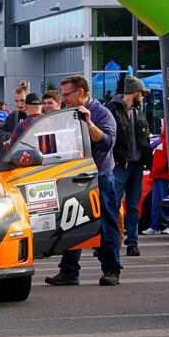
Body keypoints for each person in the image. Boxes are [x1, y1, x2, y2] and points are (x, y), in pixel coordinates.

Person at [45, 75, 120, 286]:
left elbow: (107, 143)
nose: (64, 99)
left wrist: (89, 123)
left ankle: (112, 269)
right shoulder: (66, 114)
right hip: (73, 177)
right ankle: (69, 270)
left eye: (67, 95)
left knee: (106, 223)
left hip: (99, 177)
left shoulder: (102, 114)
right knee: (71, 223)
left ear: (81, 93)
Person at [105, 76, 153, 257]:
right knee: (112, 204)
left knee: (132, 206)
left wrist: (147, 159)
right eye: (141, 93)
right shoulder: (112, 110)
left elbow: (144, 139)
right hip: (119, 165)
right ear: (134, 92)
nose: (143, 97)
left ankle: (132, 242)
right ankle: (108, 242)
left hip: (136, 165)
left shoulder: (138, 112)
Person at [141, 127, 169, 235]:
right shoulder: (163, 142)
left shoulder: (167, 142)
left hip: (163, 176)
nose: (160, 128)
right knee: (157, 203)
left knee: (164, 202)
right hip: (158, 176)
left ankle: (168, 226)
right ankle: (156, 226)